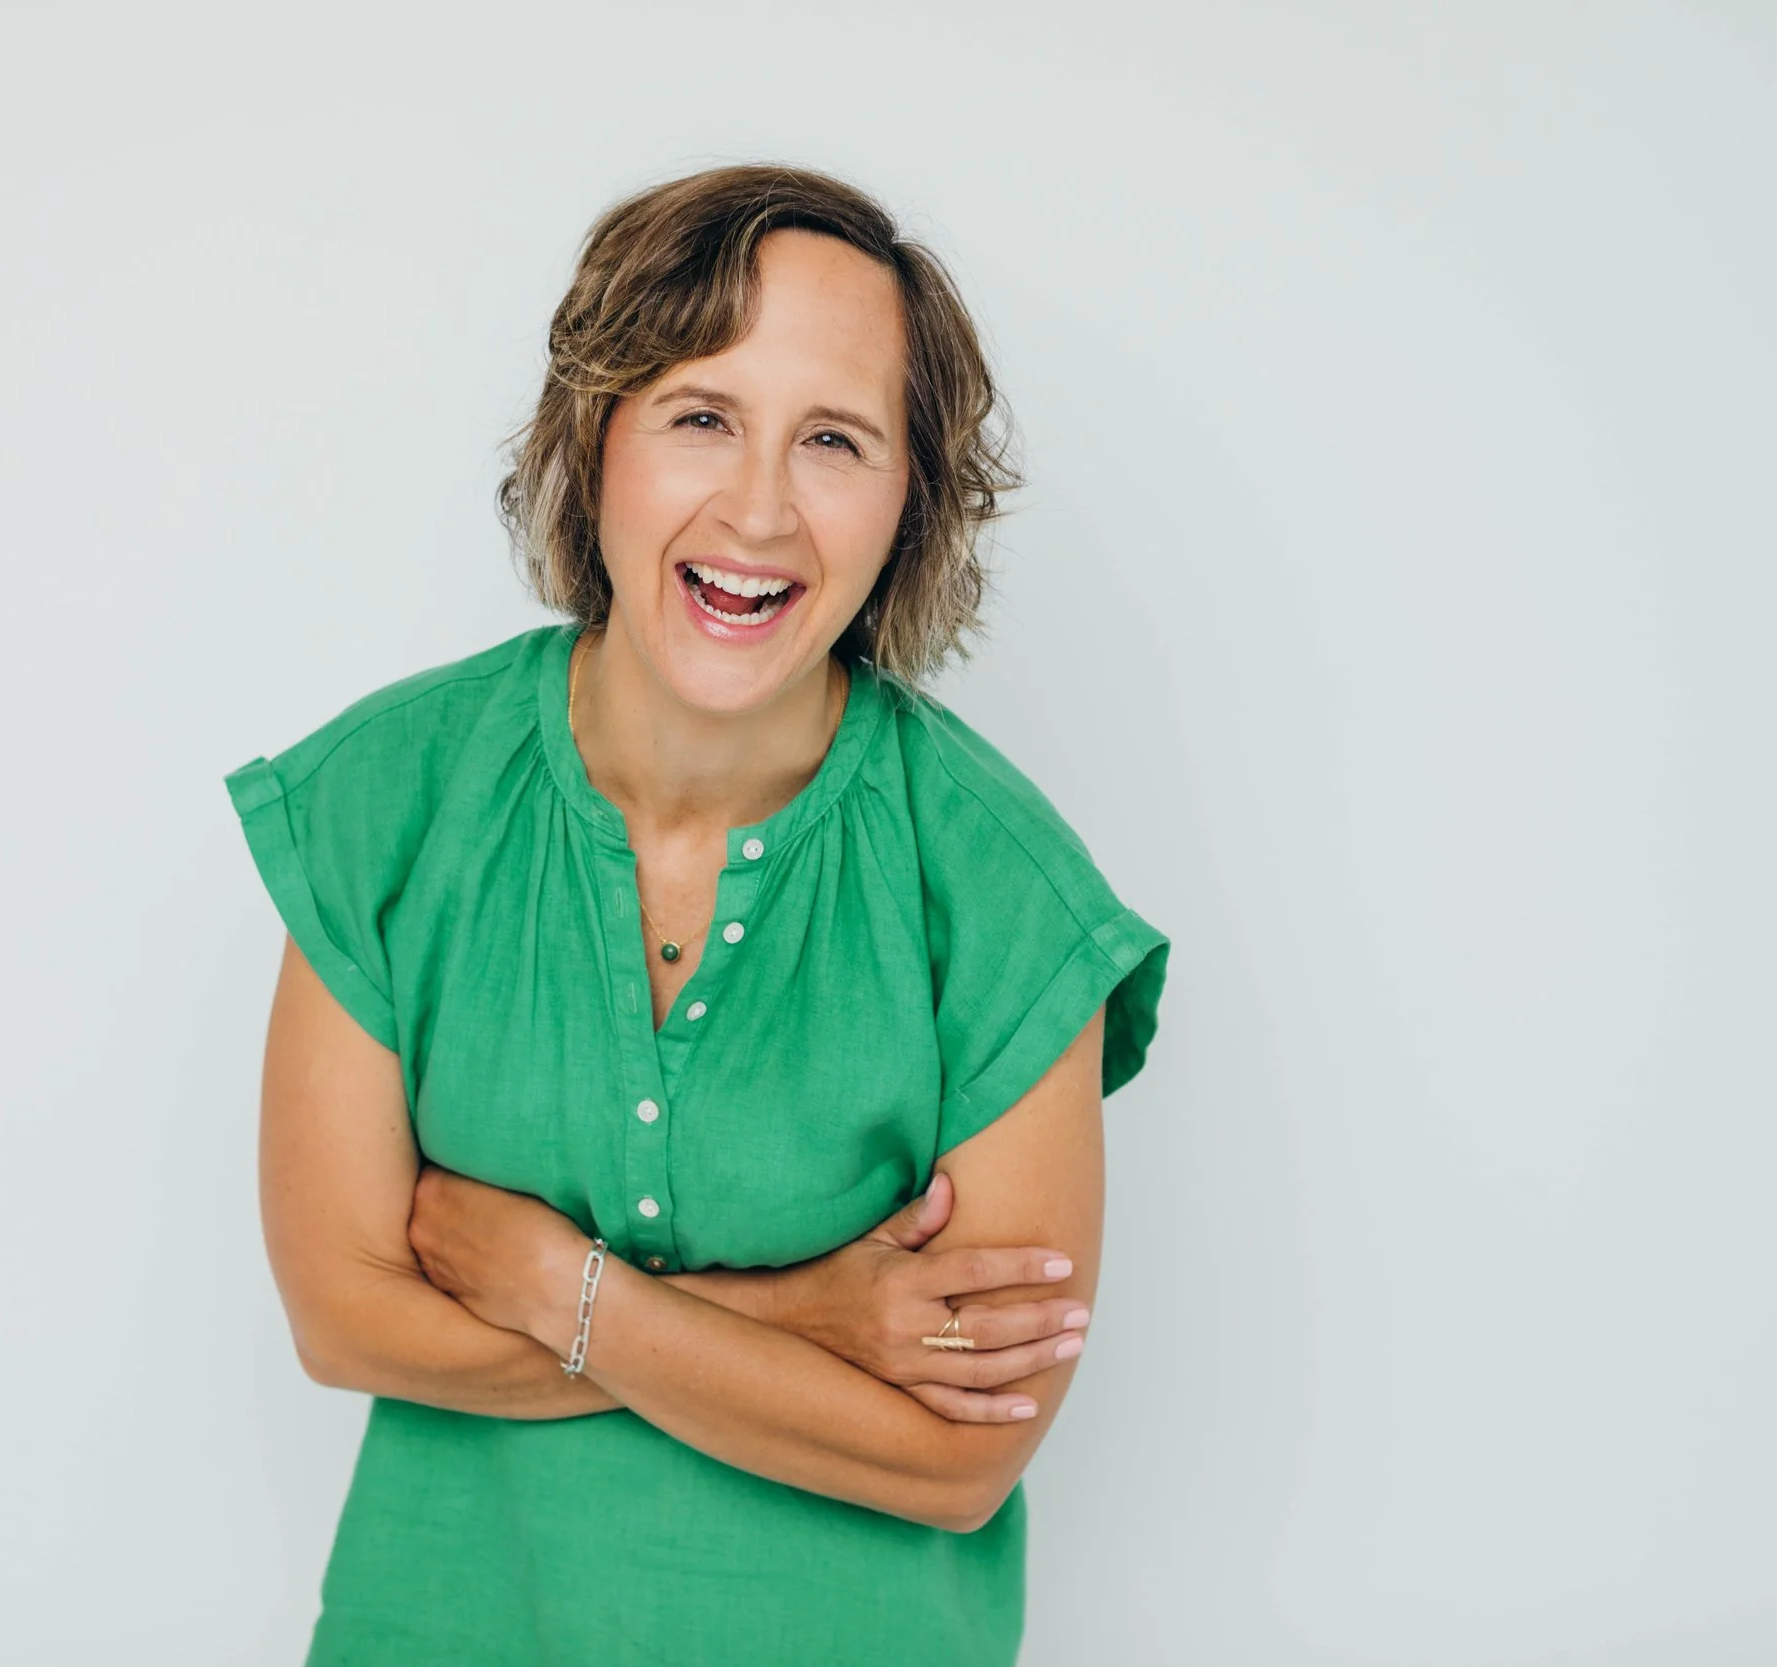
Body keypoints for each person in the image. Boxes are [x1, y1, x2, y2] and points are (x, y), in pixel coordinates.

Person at [222, 162, 1171, 1667]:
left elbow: (959, 1450)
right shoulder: (388, 799)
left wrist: (553, 1281)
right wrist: (814, 1311)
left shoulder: (1001, 887)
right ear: (593, 436)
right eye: (701, 415)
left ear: (908, 497)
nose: (759, 508)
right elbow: (345, 1317)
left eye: (836, 440)